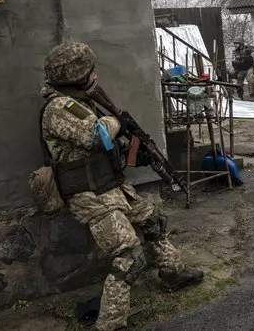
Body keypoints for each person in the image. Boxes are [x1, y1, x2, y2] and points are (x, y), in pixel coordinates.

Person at [40, 42, 203, 331]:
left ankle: (173, 273)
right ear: (77, 76)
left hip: (110, 186)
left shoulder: (82, 102)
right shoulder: (60, 108)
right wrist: (117, 121)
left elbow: (104, 146)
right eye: (90, 71)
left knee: (154, 221)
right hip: (89, 195)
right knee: (129, 256)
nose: (95, 75)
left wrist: (132, 150)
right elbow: (98, 135)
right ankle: (111, 324)